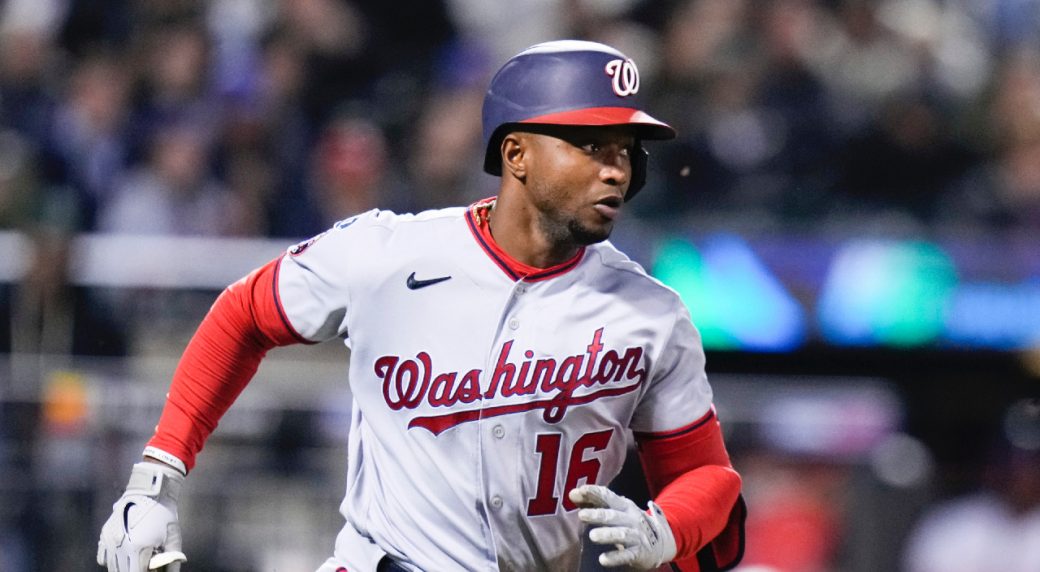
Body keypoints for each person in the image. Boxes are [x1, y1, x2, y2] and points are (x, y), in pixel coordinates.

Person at [97, 40, 746, 572]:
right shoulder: (388, 255)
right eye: (591, 146)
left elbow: (709, 480)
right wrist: (158, 474)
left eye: (626, 151)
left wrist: (668, 528)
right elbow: (243, 315)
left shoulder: (650, 313)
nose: (618, 170)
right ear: (515, 153)